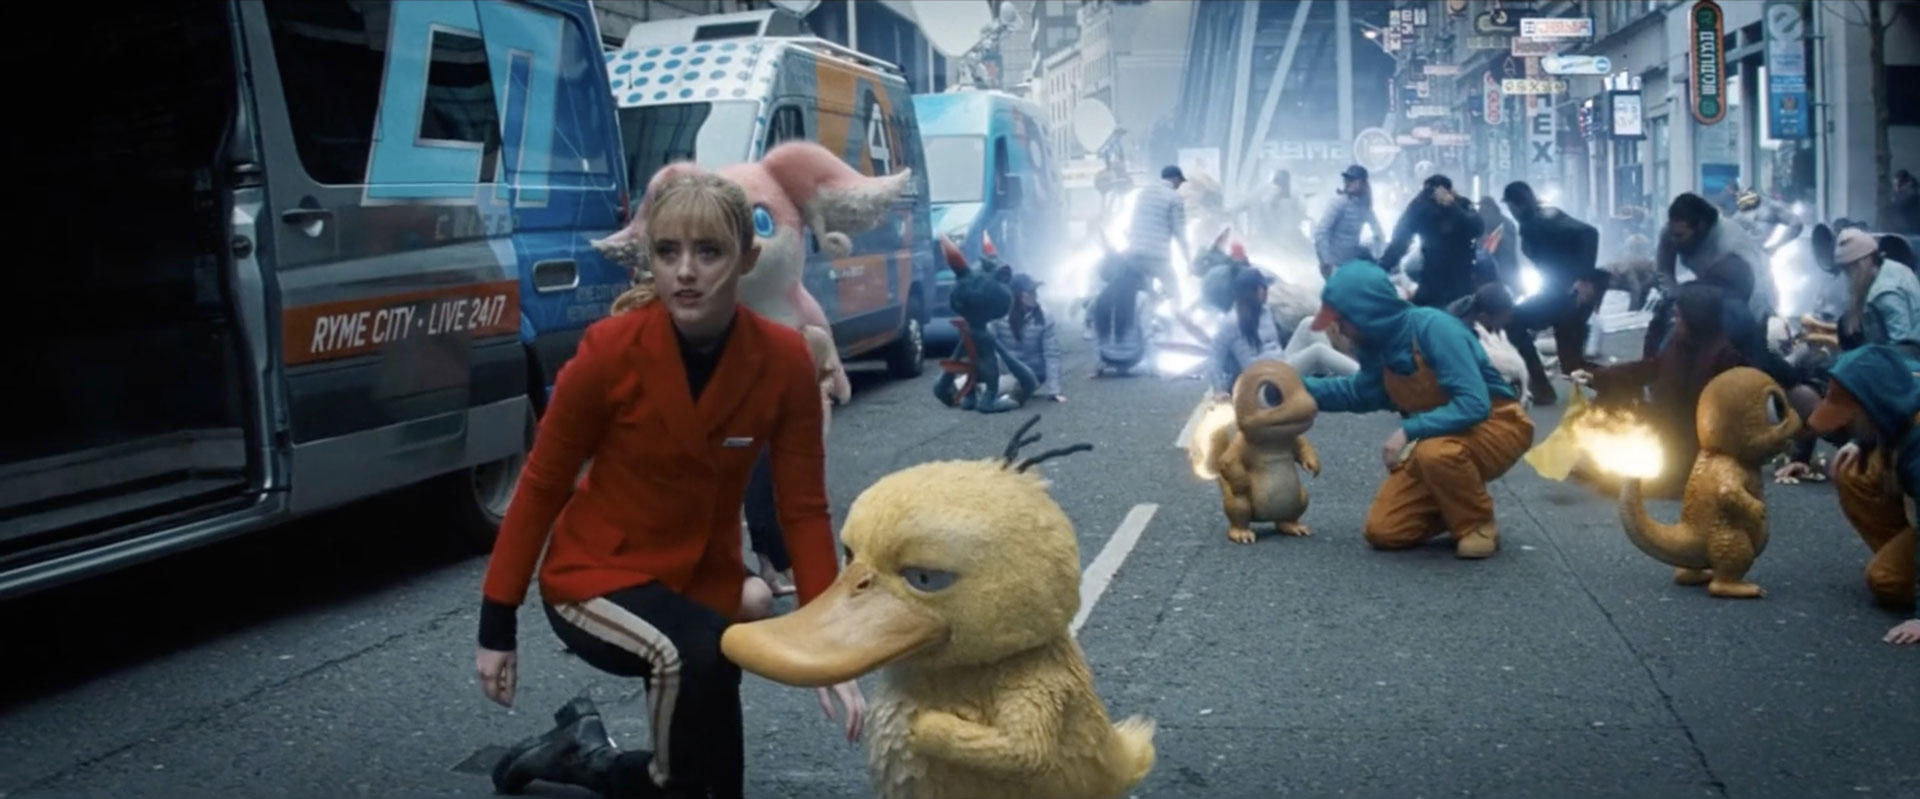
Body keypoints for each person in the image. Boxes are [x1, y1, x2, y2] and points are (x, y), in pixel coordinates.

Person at [476, 173, 864, 799]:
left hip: (700, 575)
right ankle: (615, 764)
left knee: (716, 686)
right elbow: (542, 484)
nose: (685, 271)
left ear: (747, 259)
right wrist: (497, 624)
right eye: (667, 252)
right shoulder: (608, 351)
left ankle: (582, 753)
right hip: (594, 575)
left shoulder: (786, 360)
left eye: (708, 252)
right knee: (691, 654)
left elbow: (803, 507)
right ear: (650, 261)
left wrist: (827, 641)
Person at [1302, 262, 1536, 559]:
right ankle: (1456, 501)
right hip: (1441, 435)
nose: (1341, 330)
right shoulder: (1376, 348)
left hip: (1496, 423)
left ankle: (1477, 524)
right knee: (1385, 531)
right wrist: (1297, 388)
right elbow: (1360, 392)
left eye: (1342, 320)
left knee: (1436, 453)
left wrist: (1408, 431)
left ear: (1366, 313)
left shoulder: (1435, 328)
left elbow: (1474, 404)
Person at [1573, 283, 1751, 499]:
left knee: (1621, 482)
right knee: (1613, 395)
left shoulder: (1725, 358)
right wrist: (1597, 376)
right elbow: (1652, 367)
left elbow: (1727, 420)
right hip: (1665, 424)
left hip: (1694, 441)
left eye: (1679, 316)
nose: (1675, 321)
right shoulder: (1679, 342)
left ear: (1696, 319)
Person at [1800, 344, 1920, 644]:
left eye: (1851, 418)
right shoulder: (1900, 390)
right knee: (1853, 469)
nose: (1845, 426)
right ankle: (1905, 558)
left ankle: (1907, 574)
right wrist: (1862, 441)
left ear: (1872, 408)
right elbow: (1887, 416)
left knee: (1886, 579)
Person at [1501, 180, 1605, 405]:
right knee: (1514, 321)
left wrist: (1584, 278)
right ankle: (1540, 387)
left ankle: (1621, 382)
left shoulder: (1543, 221)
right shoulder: (1535, 221)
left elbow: (1589, 233)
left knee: (1571, 364)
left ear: (1515, 205)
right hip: (1556, 295)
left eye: (1510, 207)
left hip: (1570, 296)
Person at [1646, 193, 1778, 366]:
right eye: (1672, 234)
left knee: (1748, 357)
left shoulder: (1731, 243)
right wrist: (1673, 298)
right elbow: (1664, 270)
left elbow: (1754, 295)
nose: (1673, 241)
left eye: (1679, 236)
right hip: (1711, 294)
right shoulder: (1672, 232)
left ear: (1700, 227)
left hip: (1750, 301)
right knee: (1663, 320)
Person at [1092, 166, 1187, 360]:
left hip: (1134, 254)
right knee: (1174, 289)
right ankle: (1180, 330)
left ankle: (1143, 327)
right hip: (1158, 256)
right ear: (1175, 179)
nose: (1179, 186)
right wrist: (1188, 259)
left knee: (1144, 293)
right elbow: (1179, 231)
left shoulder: (1144, 193)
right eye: (1180, 182)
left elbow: (1135, 220)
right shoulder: (1175, 198)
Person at [1379, 174, 1485, 310]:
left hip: (1447, 281)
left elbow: (1399, 242)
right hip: (1448, 281)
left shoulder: (1456, 204)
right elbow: (1400, 240)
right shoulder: (1425, 206)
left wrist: (1382, 267)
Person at [1836, 227, 1920, 357]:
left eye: (1849, 269)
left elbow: (1902, 347)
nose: (1848, 276)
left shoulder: (1885, 293)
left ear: (1862, 263)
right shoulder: (1892, 268)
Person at [986, 273, 1067, 404]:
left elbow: (1051, 354)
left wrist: (1054, 390)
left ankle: (985, 390)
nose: (1035, 296)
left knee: (1006, 385)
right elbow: (988, 345)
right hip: (1006, 369)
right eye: (1031, 292)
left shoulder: (1044, 317)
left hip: (1033, 372)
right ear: (1019, 295)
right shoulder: (999, 316)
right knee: (973, 381)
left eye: (1035, 292)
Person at [1313, 164, 1386, 278]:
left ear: (1363, 183)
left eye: (1353, 180)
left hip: (1350, 264)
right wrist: (1326, 262)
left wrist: (1377, 255)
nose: (1348, 182)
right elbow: (1321, 232)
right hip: (1334, 265)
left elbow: (1379, 234)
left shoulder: (1364, 206)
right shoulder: (1339, 202)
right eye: (1347, 179)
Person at [1732, 189, 1804, 255]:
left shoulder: (1772, 207)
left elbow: (1796, 224)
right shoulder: (1739, 212)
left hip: (1759, 254)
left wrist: (1776, 246)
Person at [1477, 195, 1521, 293]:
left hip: (1493, 268)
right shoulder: (1507, 221)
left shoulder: (1483, 220)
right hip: (1510, 268)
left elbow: (1483, 245)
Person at [1891, 169, 1919, 234]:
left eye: (1899, 185)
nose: (1896, 189)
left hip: (1912, 231)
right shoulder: (1899, 196)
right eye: (1894, 185)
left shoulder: (1912, 196)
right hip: (1903, 231)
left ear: (1908, 183)